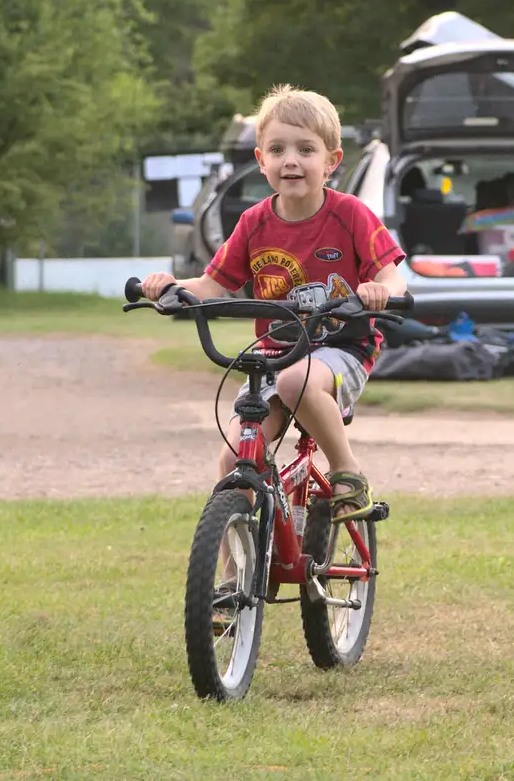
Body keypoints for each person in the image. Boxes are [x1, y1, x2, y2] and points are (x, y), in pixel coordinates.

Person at [137, 84, 407, 524]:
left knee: (293, 382)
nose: (291, 161)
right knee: (233, 463)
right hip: (275, 355)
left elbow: (391, 276)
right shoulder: (253, 222)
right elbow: (212, 285)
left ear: (331, 162)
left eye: (306, 149)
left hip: (342, 349)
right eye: (278, 149)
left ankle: (347, 473)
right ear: (261, 161)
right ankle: (229, 582)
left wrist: (380, 289)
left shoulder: (351, 214)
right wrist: (170, 287)